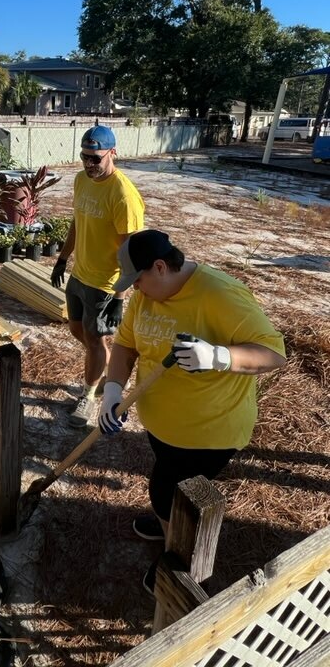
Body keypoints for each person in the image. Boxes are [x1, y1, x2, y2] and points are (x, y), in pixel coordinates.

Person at [97, 229, 286, 592]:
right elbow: (124, 345)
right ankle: (170, 522)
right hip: (163, 428)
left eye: (137, 280)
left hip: (208, 431)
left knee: (165, 490)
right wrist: (112, 389)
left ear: (160, 267)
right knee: (169, 485)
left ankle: (178, 556)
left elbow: (273, 352)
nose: (134, 290)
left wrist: (218, 356)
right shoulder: (146, 297)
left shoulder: (219, 293)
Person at [50, 125, 145, 427]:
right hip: (80, 275)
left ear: (112, 153)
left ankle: (88, 395)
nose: (89, 165)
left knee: (93, 340)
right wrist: (62, 259)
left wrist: (119, 297)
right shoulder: (81, 180)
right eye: (84, 157)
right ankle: (105, 365)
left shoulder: (123, 195)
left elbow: (132, 254)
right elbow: (77, 224)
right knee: (79, 331)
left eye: (95, 158)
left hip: (104, 284)